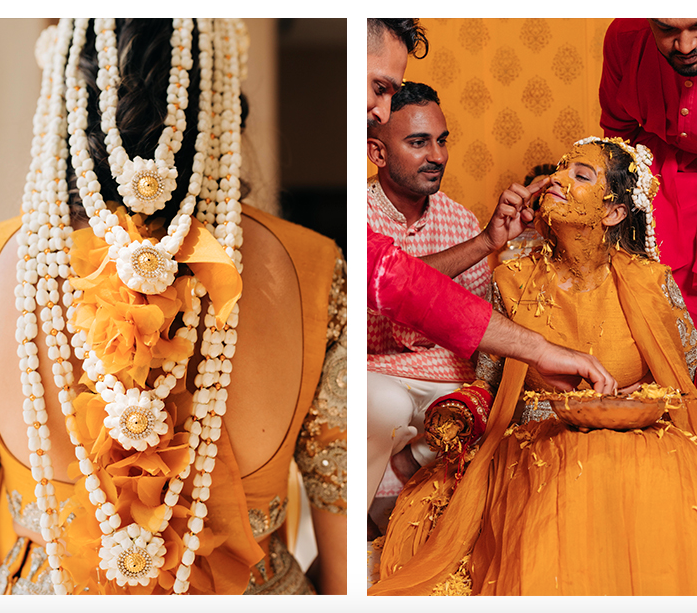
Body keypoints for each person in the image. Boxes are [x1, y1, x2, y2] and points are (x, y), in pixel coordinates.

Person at [0, 19, 346, 595]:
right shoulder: (312, 270)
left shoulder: (10, 264)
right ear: (216, 100)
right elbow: (342, 574)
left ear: (67, 105)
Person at [369, 136, 697, 596]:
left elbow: (682, 382)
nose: (558, 180)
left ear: (613, 213)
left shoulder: (651, 283)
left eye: (579, 175)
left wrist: (632, 403)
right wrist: (464, 412)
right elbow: (486, 382)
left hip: (643, 442)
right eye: (560, 170)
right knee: (566, 477)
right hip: (536, 445)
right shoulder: (514, 279)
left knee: (652, 479)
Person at [366, 81, 550, 515]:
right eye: (418, 142)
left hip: (445, 378)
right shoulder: (358, 214)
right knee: (382, 404)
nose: (438, 156)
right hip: (376, 372)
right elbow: (398, 282)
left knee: (502, 405)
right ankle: (358, 528)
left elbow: (478, 323)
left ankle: (413, 482)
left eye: (442, 141)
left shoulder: (458, 218)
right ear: (378, 153)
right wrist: (485, 242)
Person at [600, 18, 697, 325]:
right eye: (667, 30)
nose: (686, 46)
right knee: (657, 304)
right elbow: (617, 135)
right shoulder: (624, 36)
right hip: (654, 178)